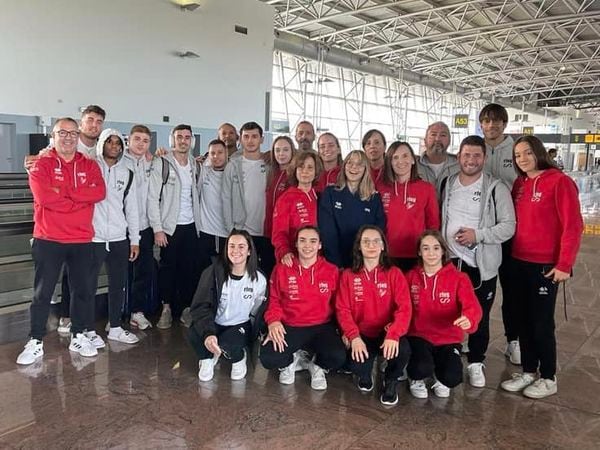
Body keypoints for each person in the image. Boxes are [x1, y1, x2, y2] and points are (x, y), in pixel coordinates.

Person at [17, 118, 106, 365]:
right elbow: (45, 198)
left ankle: (78, 334)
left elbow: (99, 192)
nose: (67, 137)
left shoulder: (89, 165)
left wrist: (64, 192)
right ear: (53, 136)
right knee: (42, 293)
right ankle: (35, 340)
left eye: (72, 133)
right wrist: (79, 201)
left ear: (78, 136)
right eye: (62, 133)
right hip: (49, 238)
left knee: (82, 291)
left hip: (81, 239)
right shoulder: (41, 164)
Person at [501, 136, 583, 399]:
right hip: (518, 261)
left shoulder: (559, 182)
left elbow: (573, 226)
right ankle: (528, 371)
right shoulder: (520, 184)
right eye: (517, 155)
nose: (522, 159)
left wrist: (564, 264)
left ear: (538, 153)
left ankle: (548, 376)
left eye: (527, 153)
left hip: (545, 266)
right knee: (522, 319)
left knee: (541, 323)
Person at [440, 135, 515, 387]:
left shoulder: (496, 188)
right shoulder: (448, 183)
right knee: (446, 312)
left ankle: (475, 361)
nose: (471, 160)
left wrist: (478, 235)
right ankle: (448, 354)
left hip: (480, 266)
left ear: (484, 158)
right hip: (449, 263)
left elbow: (508, 227)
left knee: (479, 317)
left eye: (476, 155)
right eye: (466, 155)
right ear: (458, 156)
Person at [260, 226, 346, 390]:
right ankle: (290, 361)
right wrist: (273, 321)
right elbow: (274, 299)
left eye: (313, 241)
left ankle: (317, 366)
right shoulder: (282, 268)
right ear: (296, 244)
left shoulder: (332, 271)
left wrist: (345, 331)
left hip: (321, 326)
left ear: (320, 245)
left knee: (339, 356)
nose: (308, 245)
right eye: (303, 240)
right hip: (290, 325)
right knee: (268, 358)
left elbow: (340, 306)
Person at [336, 225, 412, 406]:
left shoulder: (394, 274)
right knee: (355, 365)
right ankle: (365, 371)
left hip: (386, 334)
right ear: (359, 247)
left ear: (383, 246)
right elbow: (342, 309)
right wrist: (353, 336)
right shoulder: (347, 275)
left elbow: (405, 309)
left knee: (403, 350)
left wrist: (393, 334)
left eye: (376, 241)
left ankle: (391, 378)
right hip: (361, 335)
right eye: (366, 241)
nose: (371, 245)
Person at [405, 231, 482, 399]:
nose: (431, 253)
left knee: (451, 378)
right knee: (420, 368)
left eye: (435, 248)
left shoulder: (459, 278)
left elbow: (472, 305)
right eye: (425, 248)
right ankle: (416, 379)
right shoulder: (411, 277)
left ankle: (439, 377)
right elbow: (401, 306)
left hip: (448, 339)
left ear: (442, 251)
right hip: (419, 336)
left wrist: (469, 318)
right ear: (419, 252)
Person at [189, 230, 267, 382]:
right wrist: (208, 333)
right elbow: (200, 306)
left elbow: (258, 309)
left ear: (249, 250)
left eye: (241, 246)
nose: (235, 251)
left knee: (228, 345)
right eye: (231, 246)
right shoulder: (212, 272)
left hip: (239, 325)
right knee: (194, 333)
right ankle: (207, 358)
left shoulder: (259, 279)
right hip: (215, 322)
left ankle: (239, 358)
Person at [88, 129, 140, 345]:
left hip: (119, 238)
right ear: (102, 144)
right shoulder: (91, 167)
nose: (114, 146)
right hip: (94, 238)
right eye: (110, 142)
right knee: (87, 285)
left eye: (118, 143)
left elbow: (132, 208)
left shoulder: (127, 173)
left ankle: (116, 327)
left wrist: (134, 239)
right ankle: (87, 330)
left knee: (118, 284)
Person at [147, 124, 202, 329]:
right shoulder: (162, 163)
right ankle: (167, 308)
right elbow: (152, 198)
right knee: (168, 269)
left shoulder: (196, 166)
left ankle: (186, 308)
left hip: (191, 226)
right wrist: (158, 229)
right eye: (179, 137)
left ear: (191, 141)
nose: (183, 141)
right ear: (173, 139)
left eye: (187, 137)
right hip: (169, 228)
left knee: (189, 269)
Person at [479, 103, 520, 364]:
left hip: (509, 230)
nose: (491, 125)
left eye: (496, 121)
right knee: (479, 288)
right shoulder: (475, 149)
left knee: (512, 290)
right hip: (481, 231)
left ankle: (513, 339)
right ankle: (470, 335)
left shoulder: (516, 151)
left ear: (504, 124)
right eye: (486, 121)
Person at [222, 122, 275, 275]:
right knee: (241, 273)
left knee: (265, 273)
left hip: (266, 231)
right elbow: (225, 198)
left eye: (254, 136)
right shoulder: (233, 165)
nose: (250, 141)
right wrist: (230, 229)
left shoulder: (271, 164)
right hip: (241, 230)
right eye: (246, 137)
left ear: (262, 139)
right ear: (240, 139)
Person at [378, 141, 439, 272]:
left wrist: (430, 253)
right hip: (387, 255)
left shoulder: (426, 189)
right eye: (395, 157)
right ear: (390, 162)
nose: (400, 161)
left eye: (405, 156)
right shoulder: (381, 188)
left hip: (417, 255)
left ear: (413, 160)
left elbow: (433, 225)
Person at [319, 150, 385, 268]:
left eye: (359, 164)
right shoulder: (330, 193)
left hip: (364, 263)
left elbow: (377, 231)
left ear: (366, 169)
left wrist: (364, 263)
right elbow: (327, 231)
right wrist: (336, 263)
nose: (354, 167)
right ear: (344, 166)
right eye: (350, 163)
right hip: (334, 261)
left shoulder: (374, 198)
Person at [123, 124, 155, 330]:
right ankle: (118, 313)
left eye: (145, 140)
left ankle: (137, 311)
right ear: (129, 140)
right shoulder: (119, 161)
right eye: (137, 139)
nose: (141, 144)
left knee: (143, 272)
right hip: (123, 228)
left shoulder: (151, 163)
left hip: (145, 226)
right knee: (123, 273)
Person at [272, 150, 321, 266]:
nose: (305, 171)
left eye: (310, 167)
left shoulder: (320, 197)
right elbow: (279, 233)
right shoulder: (286, 199)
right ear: (295, 170)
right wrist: (284, 252)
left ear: (316, 172)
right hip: (294, 259)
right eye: (301, 167)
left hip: (318, 260)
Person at [197, 139, 230, 275]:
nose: (216, 156)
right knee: (204, 273)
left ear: (226, 153)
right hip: (206, 232)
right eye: (213, 153)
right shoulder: (203, 171)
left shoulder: (234, 173)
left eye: (220, 152)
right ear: (208, 155)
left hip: (227, 233)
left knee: (226, 272)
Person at [263, 136, 296, 240]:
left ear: (292, 151)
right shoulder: (271, 174)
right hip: (268, 231)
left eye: (285, 150)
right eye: (277, 150)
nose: (281, 154)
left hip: (286, 234)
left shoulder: (295, 176)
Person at [417, 122, 459, 192]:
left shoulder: (458, 165)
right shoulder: (414, 165)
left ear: (449, 141)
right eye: (433, 134)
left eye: (443, 135)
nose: (437, 139)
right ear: (425, 141)